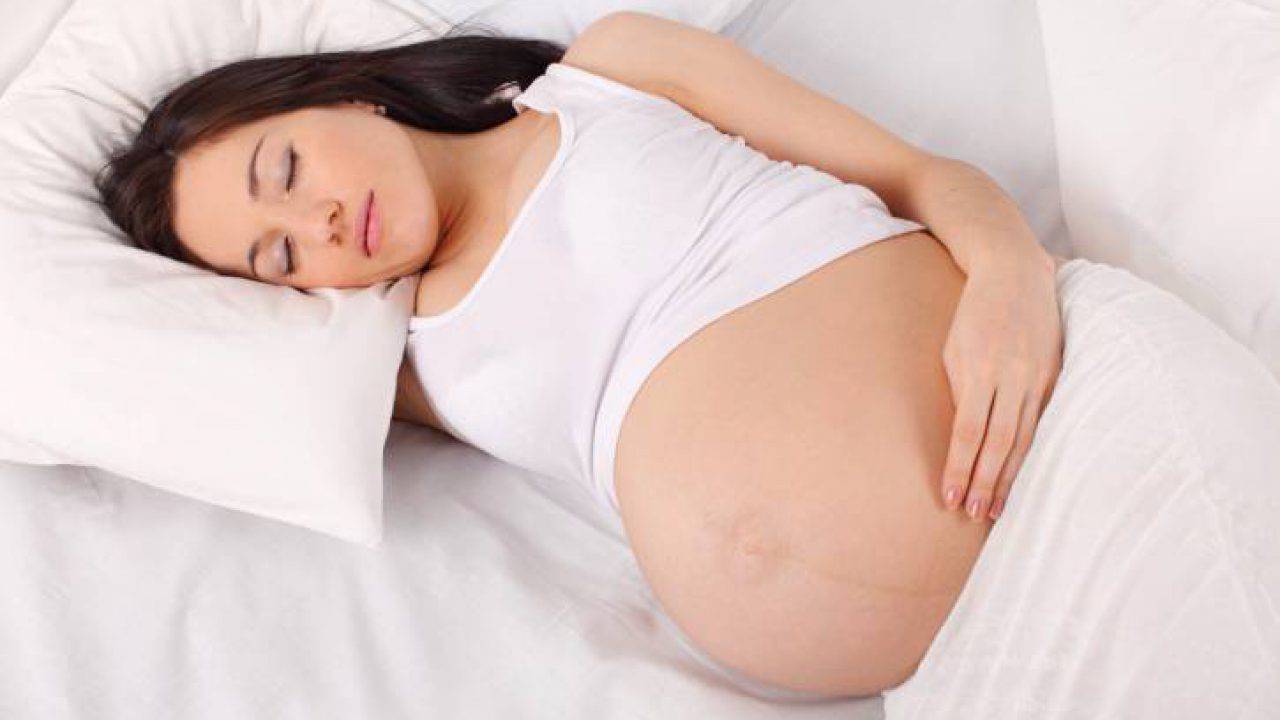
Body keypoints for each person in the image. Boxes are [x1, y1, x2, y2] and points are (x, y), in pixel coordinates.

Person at [93, 12, 1278, 712]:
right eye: (276, 260)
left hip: (1070, 437)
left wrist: (1012, 284)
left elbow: (925, 177)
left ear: (343, 98)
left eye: (285, 172)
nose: (312, 227)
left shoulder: (609, 76)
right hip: (976, 666)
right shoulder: (399, 366)